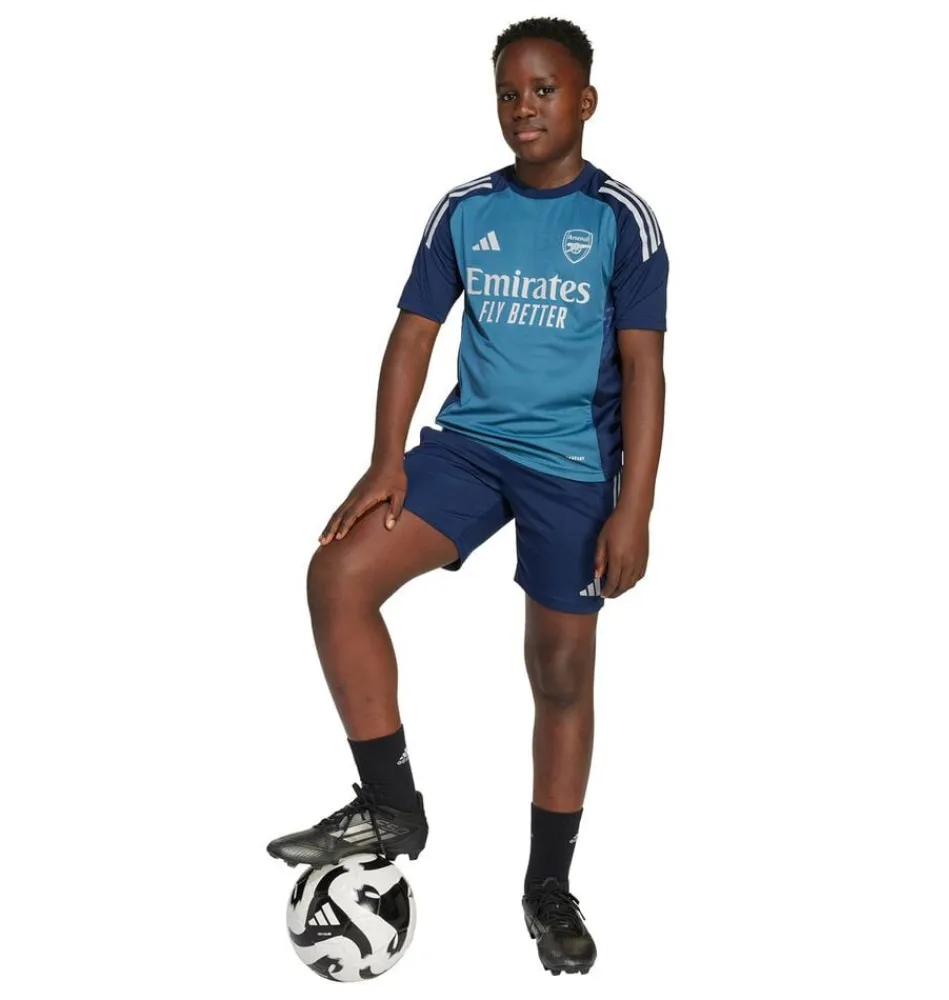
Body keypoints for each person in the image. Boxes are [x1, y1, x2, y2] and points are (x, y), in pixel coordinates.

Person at [267, 16, 668, 976]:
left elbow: (644, 372)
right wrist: (386, 459)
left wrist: (636, 508)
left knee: (559, 674)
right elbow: (414, 334)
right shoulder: (464, 210)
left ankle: (548, 885)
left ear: (585, 101)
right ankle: (390, 804)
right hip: (470, 451)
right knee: (338, 577)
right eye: (508, 93)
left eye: (544, 90)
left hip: (572, 469)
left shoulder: (621, 220)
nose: (524, 107)